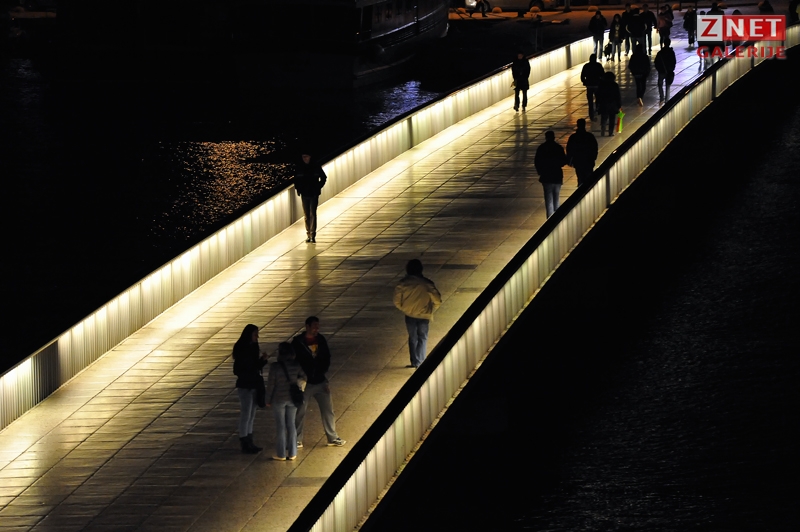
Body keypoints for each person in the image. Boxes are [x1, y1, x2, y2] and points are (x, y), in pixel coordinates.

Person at [293, 316, 346, 447]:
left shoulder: (321, 339)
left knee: (328, 409)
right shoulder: (298, 342)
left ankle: (332, 437)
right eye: (314, 327)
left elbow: (326, 357)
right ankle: (297, 439)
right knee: (300, 411)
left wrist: (322, 372)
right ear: (307, 327)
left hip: (320, 381)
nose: (317, 329)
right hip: (305, 382)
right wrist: (301, 375)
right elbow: (294, 361)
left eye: (318, 327)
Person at [393, 259, 442, 368]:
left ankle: (414, 361)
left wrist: (405, 309)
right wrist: (431, 308)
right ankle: (420, 360)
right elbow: (437, 300)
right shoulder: (427, 283)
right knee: (422, 337)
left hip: (409, 314)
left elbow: (397, 301)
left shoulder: (402, 284)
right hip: (424, 314)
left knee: (412, 337)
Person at [265, 342, 306, 461]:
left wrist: (267, 400)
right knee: (291, 424)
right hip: (292, 398)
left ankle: (281, 454)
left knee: (281, 426)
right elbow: (305, 376)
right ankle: (293, 453)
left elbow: (271, 385)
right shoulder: (296, 365)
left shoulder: (275, 367)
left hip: (278, 399)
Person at [232, 324, 268, 454]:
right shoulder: (243, 350)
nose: (257, 337)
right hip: (246, 385)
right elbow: (245, 368)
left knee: (251, 413)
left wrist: (261, 361)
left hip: (253, 384)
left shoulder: (253, 347)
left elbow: (254, 366)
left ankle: (249, 439)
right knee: (246, 413)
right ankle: (245, 440)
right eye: (255, 334)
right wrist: (260, 362)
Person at [294, 153, 327, 243]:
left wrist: (318, 187)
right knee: (307, 214)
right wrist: (318, 186)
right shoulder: (303, 167)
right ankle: (310, 234)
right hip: (307, 193)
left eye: (306, 157)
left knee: (311, 214)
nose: (305, 158)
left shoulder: (310, 166)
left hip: (312, 193)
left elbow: (323, 177)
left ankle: (311, 234)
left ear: (309, 157)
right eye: (303, 157)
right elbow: (296, 180)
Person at [534, 131, 567, 218]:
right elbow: (563, 161)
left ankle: (550, 218)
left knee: (548, 199)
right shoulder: (558, 148)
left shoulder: (542, 148)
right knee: (556, 197)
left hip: (546, 176)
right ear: (554, 137)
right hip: (557, 175)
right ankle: (557, 217)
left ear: (546, 137)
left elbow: (537, 161)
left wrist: (540, 172)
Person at [566, 119, 598, 187]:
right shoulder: (589, 136)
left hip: (578, 161)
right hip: (588, 161)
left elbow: (569, 149)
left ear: (577, 125)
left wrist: (570, 160)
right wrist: (593, 157)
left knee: (580, 177)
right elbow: (594, 148)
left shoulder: (573, 137)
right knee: (589, 178)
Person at [597, 71, 622, 137]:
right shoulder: (615, 85)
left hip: (603, 103)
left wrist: (598, 104)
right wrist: (619, 105)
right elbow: (618, 96)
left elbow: (598, 95)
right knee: (612, 118)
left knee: (604, 117)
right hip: (612, 104)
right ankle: (610, 132)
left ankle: (603, 127)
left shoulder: (601, 85)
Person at [580, 54, 605, 121]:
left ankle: (591, 114)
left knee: (590, 101)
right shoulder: (598, 66)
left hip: (589, 85)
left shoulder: (586, 66)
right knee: (598, 98)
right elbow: (603, 75)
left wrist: (585, 82)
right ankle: (597, 109)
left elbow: (582, 76)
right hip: (597, 85)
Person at [654, 37, 676, 102]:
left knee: (660, 84)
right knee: (668, 85)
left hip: (661, 71)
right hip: (669, 71)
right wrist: (671, 69)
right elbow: (674, 61)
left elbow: (656, 62)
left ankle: (661, 97)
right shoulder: (671, 52)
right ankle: (667, 99)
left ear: (664, 43)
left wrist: (659, 69)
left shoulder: (660, 52)